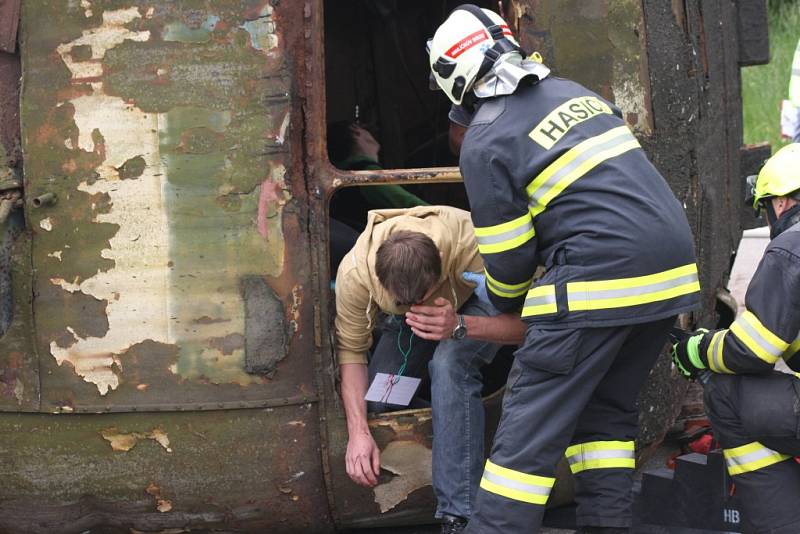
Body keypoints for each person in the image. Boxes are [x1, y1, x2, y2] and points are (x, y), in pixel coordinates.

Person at [427, 6, 701, 533]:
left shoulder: (485, 139)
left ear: (453, 75)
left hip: (595, 285)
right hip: (667, 282)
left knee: (520, 453)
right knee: (606, 421)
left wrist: (504, 303)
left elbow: (508, 259)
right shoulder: (575, 95)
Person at [336, 205, 526, 534]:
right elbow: (351, 353)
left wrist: (461, 325)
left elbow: (535, 328)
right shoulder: (355, 274)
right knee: (380, 405)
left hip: (477, 304)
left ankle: (458, 515)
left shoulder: (474, 245)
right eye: (404, 301)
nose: (416, 303)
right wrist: (358, 434)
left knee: (449, 364)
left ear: (440, 256)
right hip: (410, 317)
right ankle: (459, 424)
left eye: (422, 295)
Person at [671, 144, 800, 533]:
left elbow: (754, 350)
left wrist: (698, 349)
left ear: (779, 203)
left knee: (726, 391)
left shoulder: (791, 246)